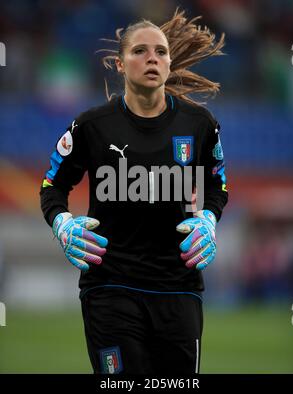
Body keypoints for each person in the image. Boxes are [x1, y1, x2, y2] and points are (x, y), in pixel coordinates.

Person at [40, 9, 228, 374]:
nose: (152, 58)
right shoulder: (91, 127)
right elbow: (52, 185)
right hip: (109, 287)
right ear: (119, 64)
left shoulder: (200, 125)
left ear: (170, 63)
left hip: (179, 287)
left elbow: (217, 184)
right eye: (140, 51)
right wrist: (61, 223)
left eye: (160, 51)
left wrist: (210, 217)